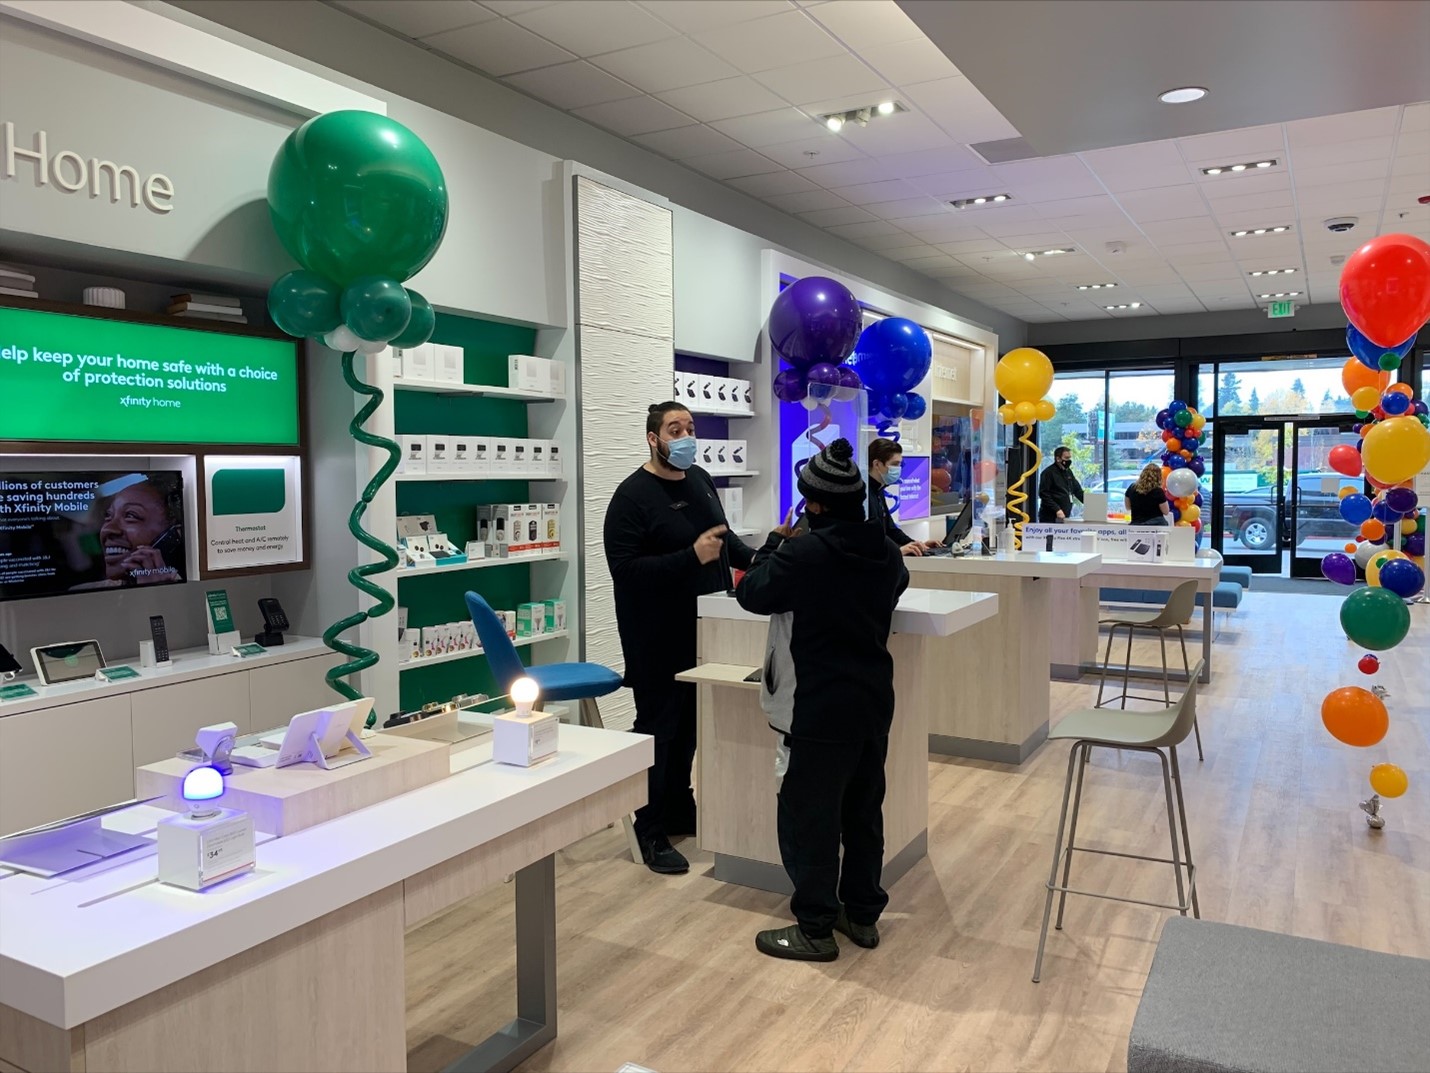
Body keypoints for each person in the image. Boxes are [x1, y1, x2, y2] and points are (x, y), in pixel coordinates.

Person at [736, 438, 909, 962]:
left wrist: (774, 543)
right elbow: (895, 584)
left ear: (811, 505)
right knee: (863, 814)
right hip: (872, 703)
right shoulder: (884, 550)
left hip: (815, 709)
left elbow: (753, 593)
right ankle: (860, 915)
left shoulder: (807, 554)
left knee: (808, 818)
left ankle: (813, 927)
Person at [604, 402, 755, 876]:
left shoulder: (700, 479)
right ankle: (648, 830)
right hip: (654, 633)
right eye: (675, 429)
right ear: (653, 438)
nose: (686, 436)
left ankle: (676, 805)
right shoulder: (631, 497)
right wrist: (690, 557)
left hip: (704, 628)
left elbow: (723, 540)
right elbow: (625, 572)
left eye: (690, 427)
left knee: (690, 725)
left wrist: (768, 553)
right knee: (659, 729)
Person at [69, 473, 185, 591]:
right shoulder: (79, 594)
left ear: (170, 534)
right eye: (108, 516)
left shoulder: (185, 594)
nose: (108, 529)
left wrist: (154, 592)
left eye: (131, 515)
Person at [867, 438, 941, 556]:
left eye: (900, 464)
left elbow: (891, 530)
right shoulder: (864, 495)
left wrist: (917, 544)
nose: (899, 469)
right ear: (877, 464)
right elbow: (868, 539)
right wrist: (898, 551)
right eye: (895, 464)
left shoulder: (878, 490)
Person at [1037, 445, 1084, 523]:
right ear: (1058, 458)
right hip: (1050, 516)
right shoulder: (1048, 473)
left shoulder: (1068, 472)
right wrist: (1057, 509)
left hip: (1065, 515)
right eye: (1066, 458)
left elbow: (1077, 490)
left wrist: (1090, 504)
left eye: (1069, 458)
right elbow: (1044, 494)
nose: (1069, 460)